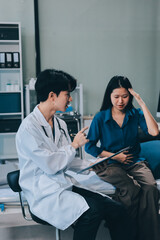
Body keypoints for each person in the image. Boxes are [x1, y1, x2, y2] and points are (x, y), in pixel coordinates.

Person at [16, 69, 134, 240]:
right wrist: (73, 145)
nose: (70, 99)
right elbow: (51, 165)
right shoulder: (28, 128)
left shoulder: (60, 123)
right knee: (93, 211)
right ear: (52, 96)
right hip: (43, 193)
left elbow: (68, 161)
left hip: (62, 185)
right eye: (67, 94)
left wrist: (92, 166)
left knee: (118, 210)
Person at [85, 75, 160, 240]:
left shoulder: (135, 114)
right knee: (131, 189)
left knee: (151, 187)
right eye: (116, 97)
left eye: (125, 96)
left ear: (130, 96)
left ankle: (148, 235)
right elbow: (89, 146)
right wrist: (114, 156)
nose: (120, 101)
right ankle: (125, 232)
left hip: (135, 162)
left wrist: (142, 103)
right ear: (109, 96)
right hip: (110, 164)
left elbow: (154, 132)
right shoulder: (100, 117)